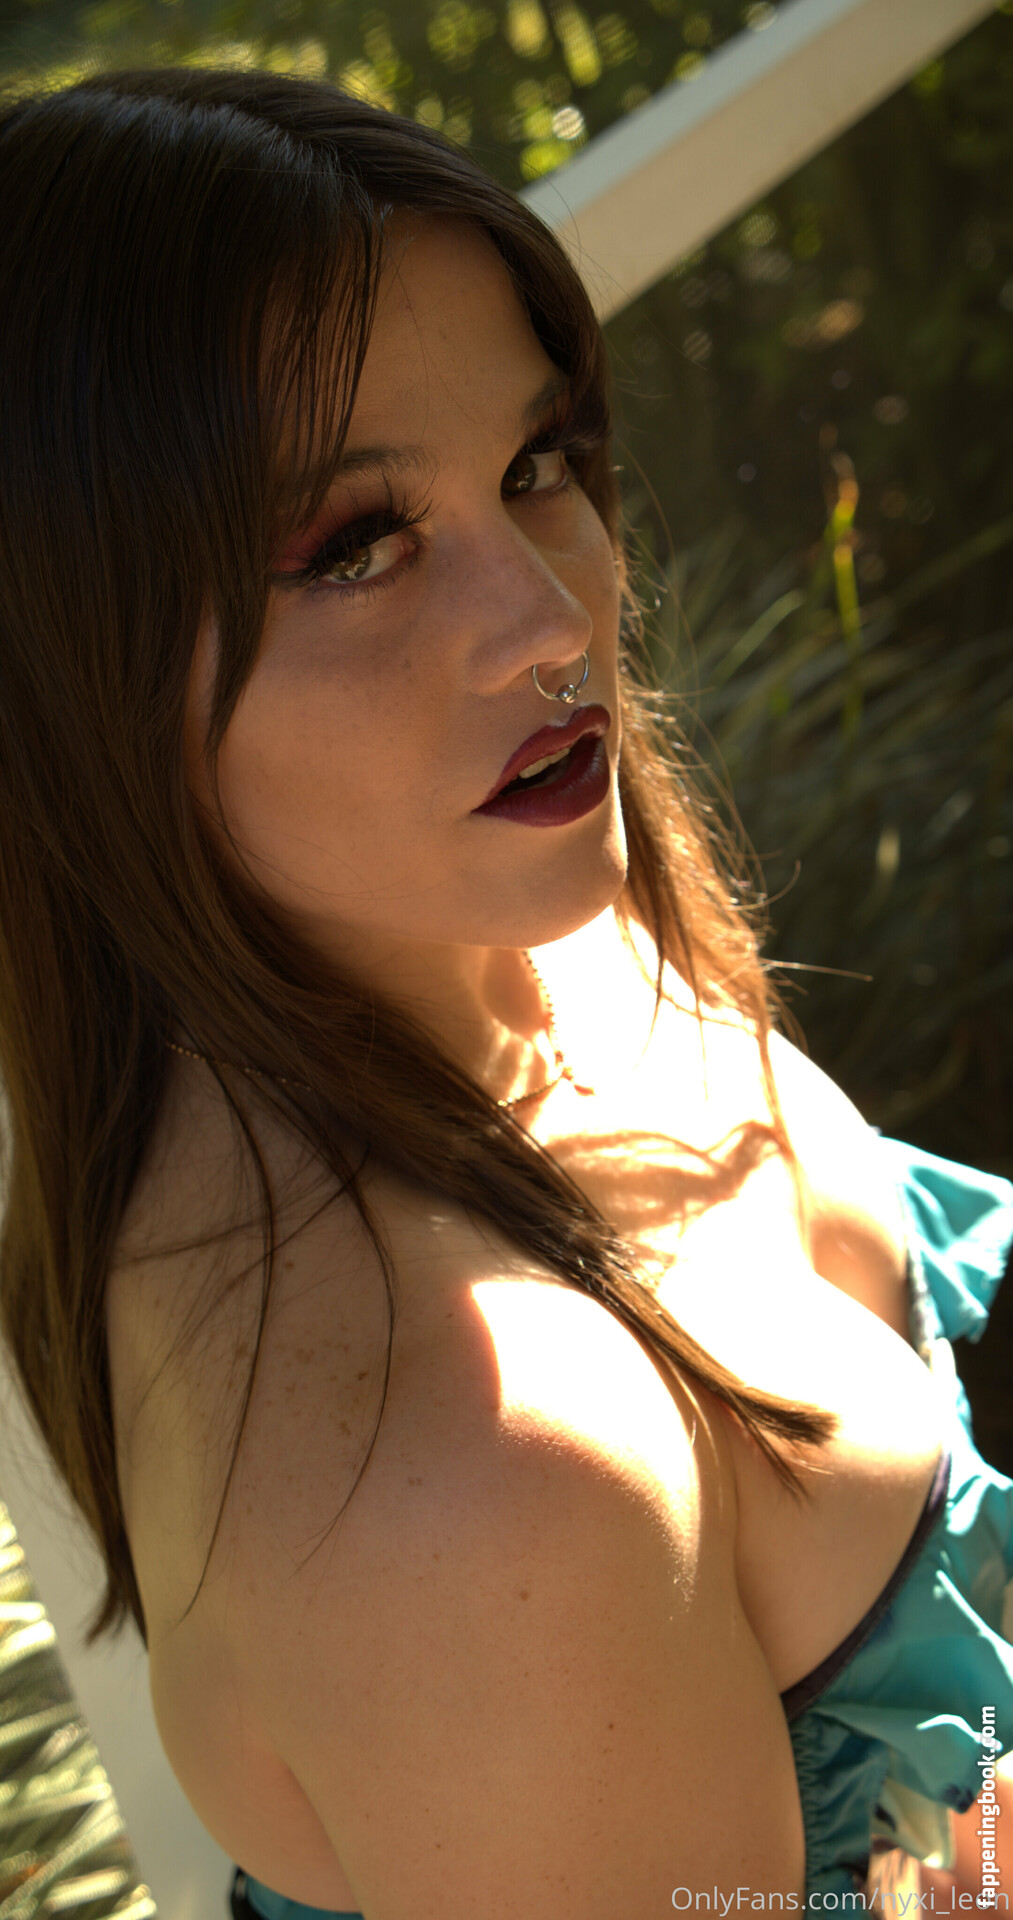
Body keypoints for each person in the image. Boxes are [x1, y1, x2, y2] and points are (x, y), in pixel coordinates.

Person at [0, 65, 1010, 1919]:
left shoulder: (500, 918)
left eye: (534, 463)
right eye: (352, 548)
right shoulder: (475, 1497)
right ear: (63, 678)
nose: (554, 614)